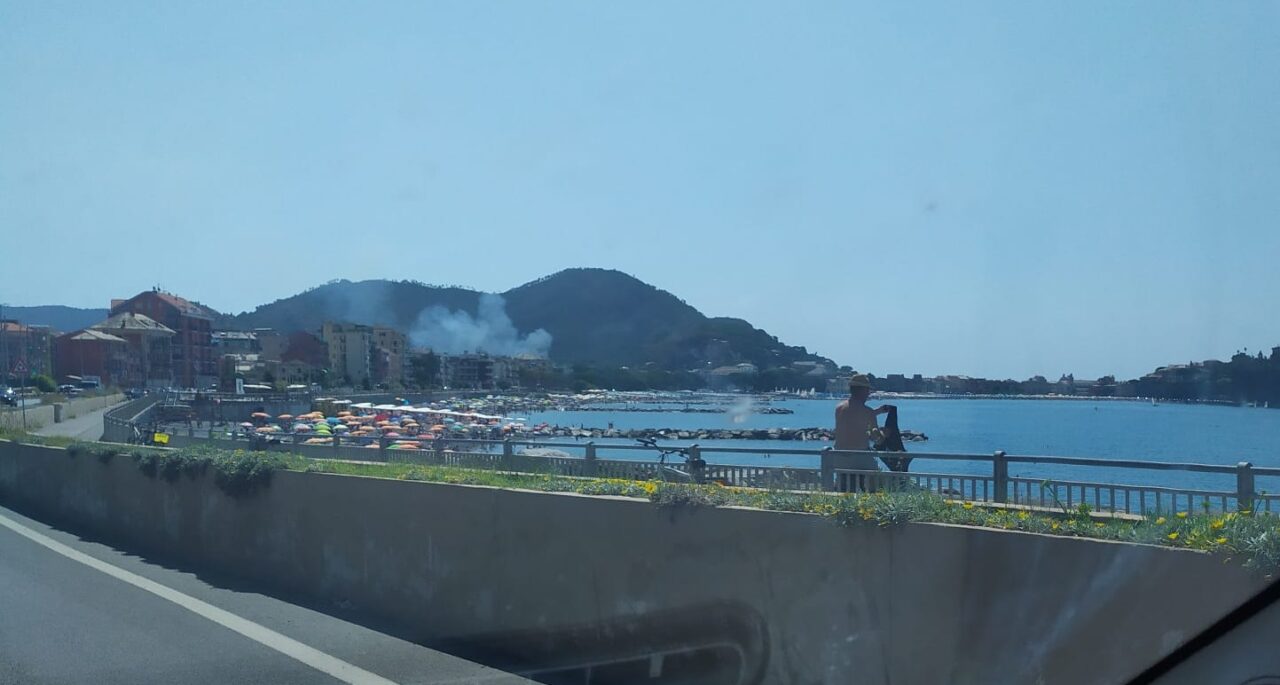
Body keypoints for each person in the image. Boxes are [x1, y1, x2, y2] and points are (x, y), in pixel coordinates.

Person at [834, 373, 892, 491]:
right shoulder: (867, 412)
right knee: (876, 484)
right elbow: (877, 439)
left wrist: (877, 412)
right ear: (862, 391)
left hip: (839, 457)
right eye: (867, 390)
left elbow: (853, 418)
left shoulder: (839, 408)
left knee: (844, 489)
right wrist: (884, 434)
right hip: (860, 458)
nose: (868, 393)